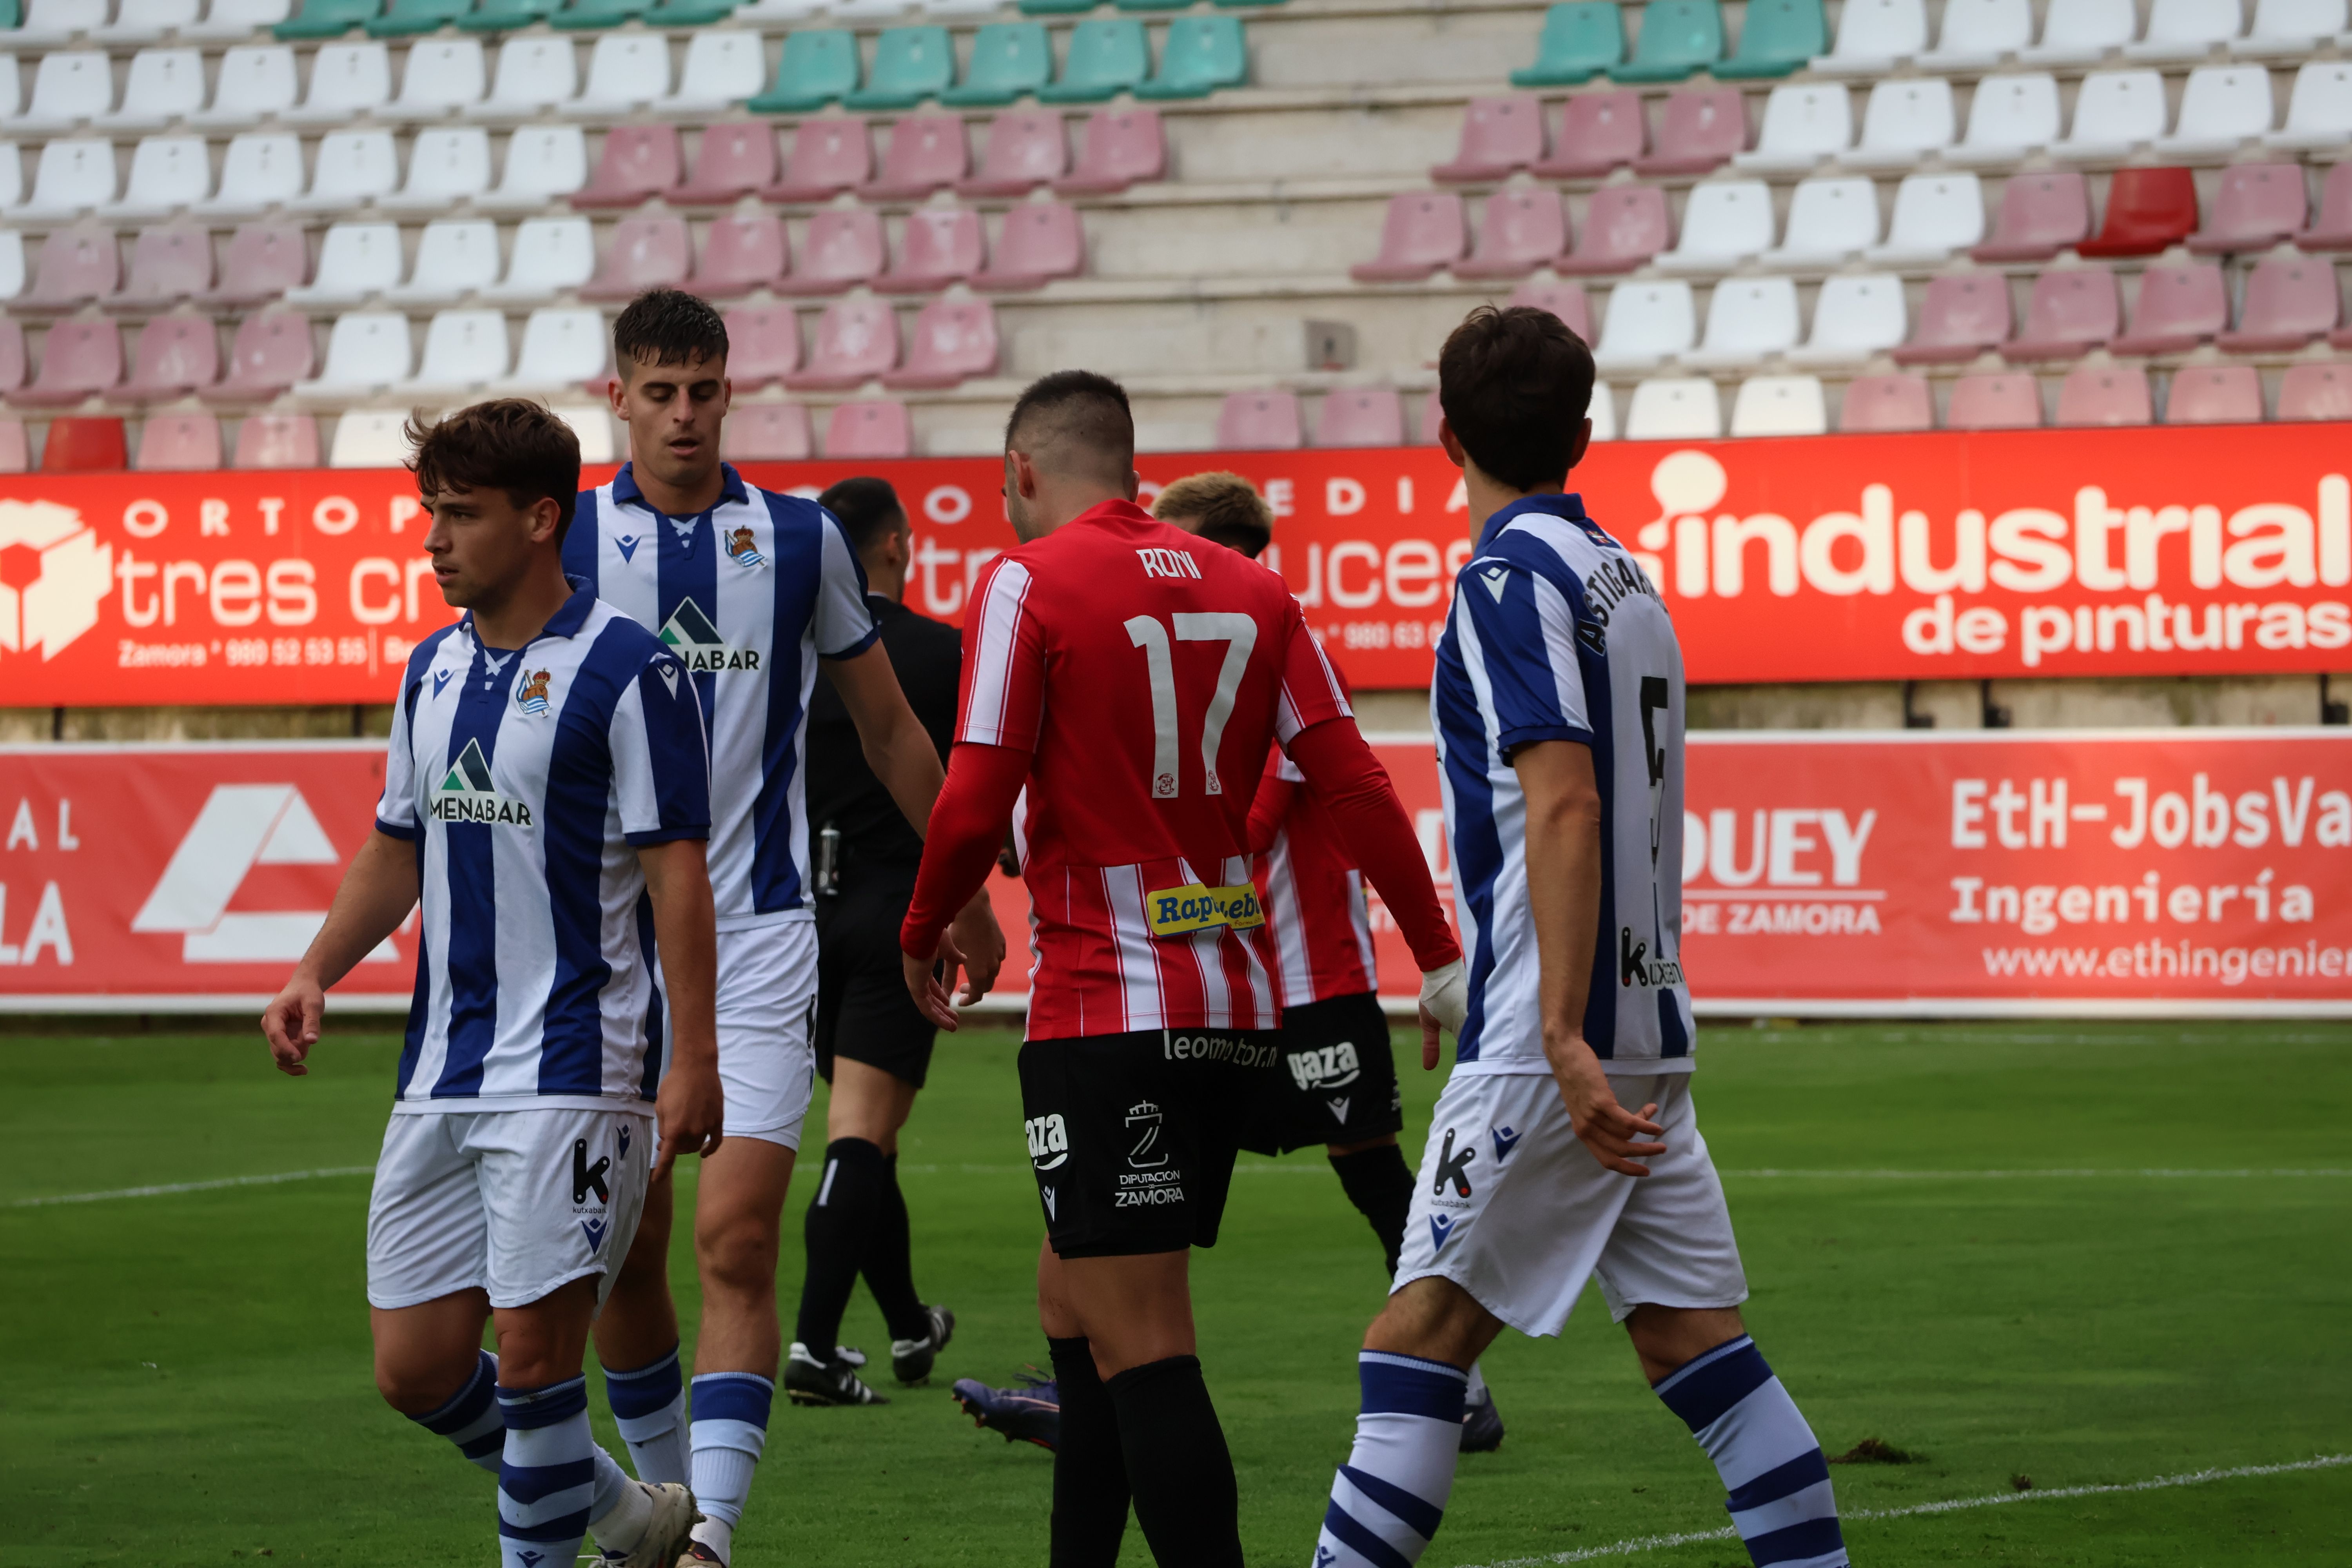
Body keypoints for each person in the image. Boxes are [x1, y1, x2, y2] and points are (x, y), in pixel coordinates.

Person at [895, 370, 1469, 1568]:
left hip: (1110, 1014)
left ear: (1025, 474)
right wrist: (1438, 952)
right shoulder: (1258, 589)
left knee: (1145, 1339)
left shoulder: (1025, 581)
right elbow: (1356, 780)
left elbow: (975, 788)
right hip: (1235, 1005)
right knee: (1076, 1310)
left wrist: (923, 924)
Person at [1310, 306, 1852, 1568]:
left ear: (1442, 434)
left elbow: (1564, 799)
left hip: (1559, 1039)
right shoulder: (1626, 576)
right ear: (1585, 435)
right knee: (1690, 1340)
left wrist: (1549, 1027)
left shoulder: (1506, 577)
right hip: (1648, 1020)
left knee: (1415, 1344)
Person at [568, 290, 1003, 1568]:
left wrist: (964, 882)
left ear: (731, 390)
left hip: (762, 933)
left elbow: (886, 732)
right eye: (662, 392)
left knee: (736, 1233)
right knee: (627, 1250)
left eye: (706, 389)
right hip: (609, 947)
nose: (687, 415)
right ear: (619, 398)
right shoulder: (576, 541)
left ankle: (713, 1543)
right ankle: (662, 1511)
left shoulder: (799, 538)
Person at [260, 399, 723, 1568]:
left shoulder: (632, 674)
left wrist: (695, 1057)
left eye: (460, 516)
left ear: (539, 521)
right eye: (431, 513)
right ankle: (628, 1517)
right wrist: (318, 967)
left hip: (578, 1069)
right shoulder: (431, 671)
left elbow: (679, 880)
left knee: (532, 1369)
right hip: (442, 1071)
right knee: (414, 1369)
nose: (433, 539)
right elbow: (396, 845)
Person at [1156, 471, 1506, 1454]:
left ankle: (1460, 1378)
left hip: (1314, 978)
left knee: (1374, 1175)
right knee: (1159, 1172)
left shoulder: (1290, 659)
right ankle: (1102, 1371)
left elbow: (1252, 817)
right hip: (1220, 976)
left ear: (1221, 554)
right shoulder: (1193, 666)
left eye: (1172, 542)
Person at [788, 475, 964, 1407]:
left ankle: (905, 1321)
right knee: (860, 1132)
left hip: (807, 914)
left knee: (873, 1133)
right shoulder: (943, 653)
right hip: (905, 907)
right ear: (898, 542)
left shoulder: (798, 655)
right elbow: (975, 782)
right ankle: (815, 1344)